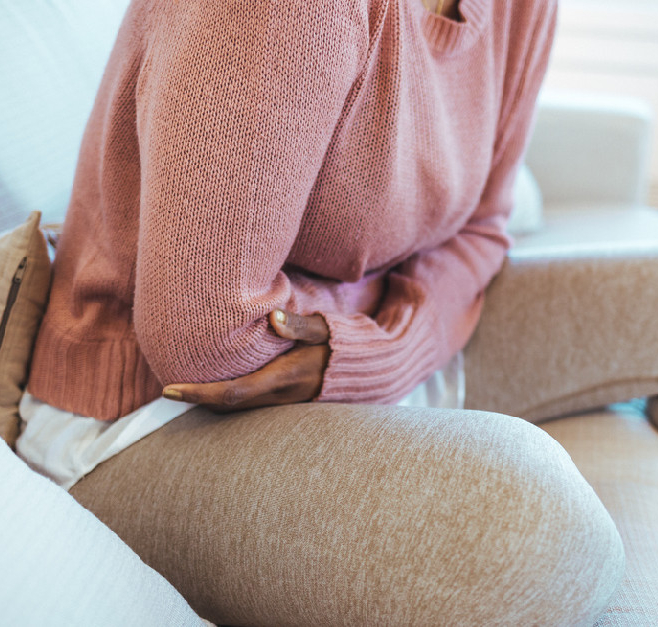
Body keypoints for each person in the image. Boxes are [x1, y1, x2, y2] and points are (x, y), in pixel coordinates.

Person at [16, 0, 627, 623]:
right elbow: (207, 334)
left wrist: (383, 346)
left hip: (343, 349)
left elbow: (485, 227)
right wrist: (380, 324)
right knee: (535, 528)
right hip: (151, 413)